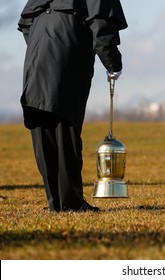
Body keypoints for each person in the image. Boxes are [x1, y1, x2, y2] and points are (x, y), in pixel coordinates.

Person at [17, 0, 128, 212]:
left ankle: (56, 202)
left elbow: (26, 25)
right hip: (66, 53)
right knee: (65, 130)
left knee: (43, 129)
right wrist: (113, 63)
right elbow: (101, 27)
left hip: (36, 58)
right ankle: (71, 203)